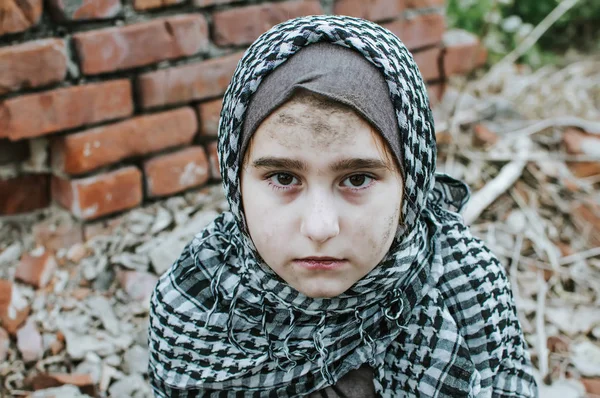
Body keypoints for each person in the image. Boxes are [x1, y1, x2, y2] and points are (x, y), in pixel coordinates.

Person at [147, 15, 538, 397]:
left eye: (356, 179)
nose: (320, 228)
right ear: (237, 185)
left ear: (411, 186)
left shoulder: (466, 287)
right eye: (284, 178)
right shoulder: (196, 303)